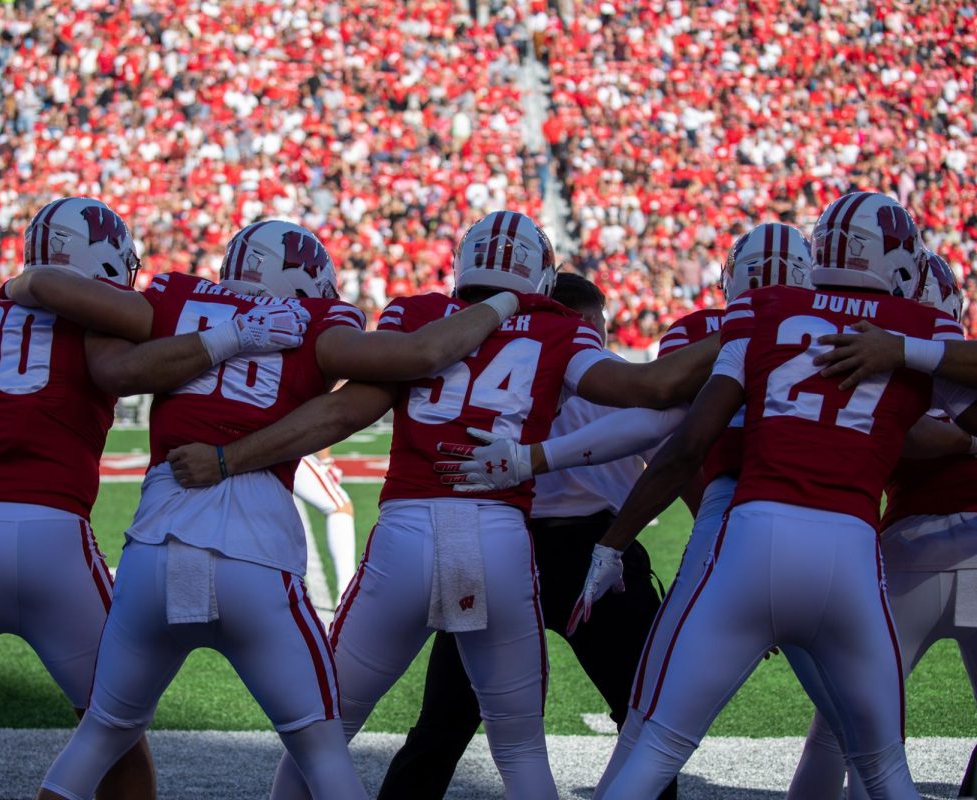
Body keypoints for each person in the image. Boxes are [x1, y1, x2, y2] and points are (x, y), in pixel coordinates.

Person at [167, 210, 717, 800]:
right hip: (501, 538)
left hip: (406, 531)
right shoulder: (560, 326)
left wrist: (231, 455)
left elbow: (347, 410)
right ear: (542, 275)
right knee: (521, 749)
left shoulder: (414, 312)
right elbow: (653, 390)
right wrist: (752, 327)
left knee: (327, 732)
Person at [35, 218, 532, 800]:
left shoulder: (176, 299)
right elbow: (418, 356)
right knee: (323, 756)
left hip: (157, 541)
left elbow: (60, 294)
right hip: (256, 549)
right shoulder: (320, 322)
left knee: (98, 738)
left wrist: (24, 285)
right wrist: (509, 298)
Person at [0, 197, 306, 800]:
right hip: (48, 530)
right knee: (115, 733)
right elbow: (130, 369)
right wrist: (233, 336)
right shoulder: (100, 317)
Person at [575, 192, 977, 799]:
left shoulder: (764, 310)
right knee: (884, 768)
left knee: (654, 749)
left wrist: (611, 545)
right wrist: (906, 351)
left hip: (747, 537)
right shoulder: (919, 328)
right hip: (850, 553)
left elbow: (686, 444)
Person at [376, 273, 676, 800]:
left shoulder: (489, 372)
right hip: (591, 549)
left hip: (499, 544)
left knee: (444, 723)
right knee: (643, 715)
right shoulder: (611, 379)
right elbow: (675, 453)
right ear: (584, 323)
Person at [787, 252, 977, 799]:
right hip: (948, 548)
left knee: (845, 723)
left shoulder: (881, 354)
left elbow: (912, 436)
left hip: (910, 555)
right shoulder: (938, 357)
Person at [294, 449, 357, 605]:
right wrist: (326, 461)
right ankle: (347, 596)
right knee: (340, 506)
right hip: (276, 445)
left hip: (236, 447)